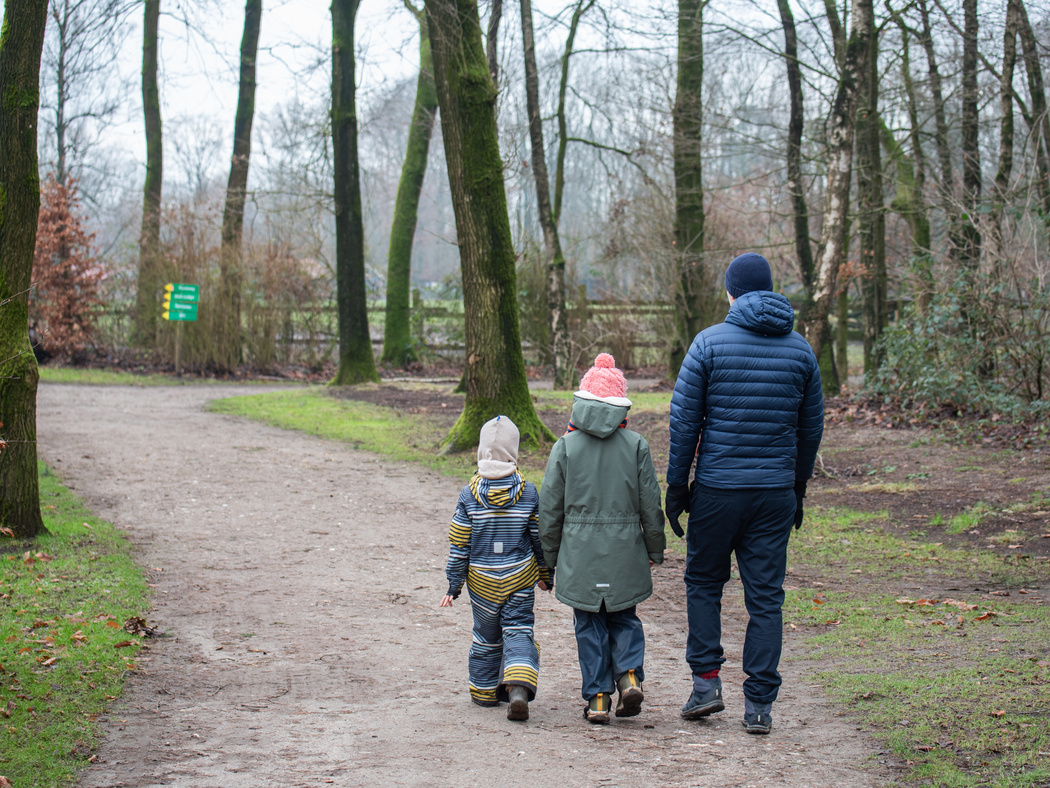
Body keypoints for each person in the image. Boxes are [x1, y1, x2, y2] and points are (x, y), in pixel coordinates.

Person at [665, 252, 824, 735]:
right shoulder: (800, 350)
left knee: (704, 584)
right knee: (766, 599)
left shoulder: (708, 344)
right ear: (770, 290)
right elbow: (810, 428)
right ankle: (758, 705)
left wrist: (676, 486)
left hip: (717, 490)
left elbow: (684, 423)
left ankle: (706, 685)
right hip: (774, 493)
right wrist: (797, 488)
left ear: (731, 293)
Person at [538, 353, 666, 724]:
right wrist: (655, 547)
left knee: (588, 623)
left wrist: (548, 561)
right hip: (625, 550)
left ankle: (596, 699)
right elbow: (650, 503)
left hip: (580, 554)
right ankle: (628, 675)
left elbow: (550, 511)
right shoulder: (637, 445)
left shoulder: (565, 447)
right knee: (625, 617)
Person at [440, 415, 551, 722]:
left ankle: (484, 691)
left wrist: (454, 583)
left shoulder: (468, 495)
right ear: (513, 452)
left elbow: (459, 543)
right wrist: (545, 574)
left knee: (486, 635)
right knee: (518, 630)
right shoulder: (528, 493)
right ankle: (517, 685)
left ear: (480, 452)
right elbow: (538, 538)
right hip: (518, 578)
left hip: (482, 582)